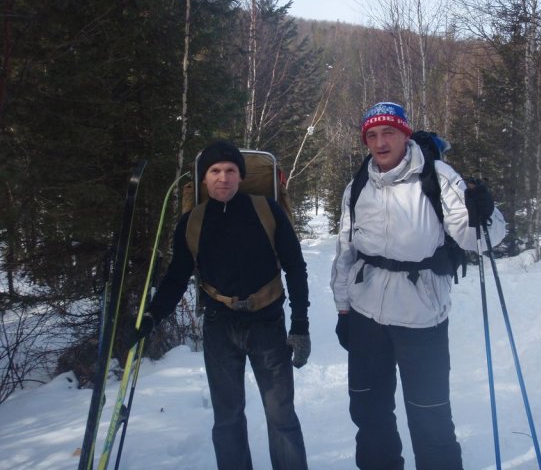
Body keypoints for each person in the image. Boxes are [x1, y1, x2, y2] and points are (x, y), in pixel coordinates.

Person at [330, 102, 506, 470]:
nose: (380, 142)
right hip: (365, 315)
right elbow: (346, 251)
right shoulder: (358, 184)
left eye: (389, 132)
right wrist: (344, 309)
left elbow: (482, 240)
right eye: (372, 136)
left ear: (405, 134)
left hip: (421, 314)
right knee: (368, 410)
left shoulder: (438, 176)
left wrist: (484, 211)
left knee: (430, 416)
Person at [131, 139, 310, 470]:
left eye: (230, 171)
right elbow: (175, 278)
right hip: (219, 328)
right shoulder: (192, 223)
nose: (223, 178)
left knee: (281, 416)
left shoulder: (266, 211)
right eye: (215, 171)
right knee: (227, 419)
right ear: (204, 178)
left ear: (240, 177)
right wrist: (152, 317)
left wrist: (300, 325)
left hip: (267, 325)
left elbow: (295, 267)